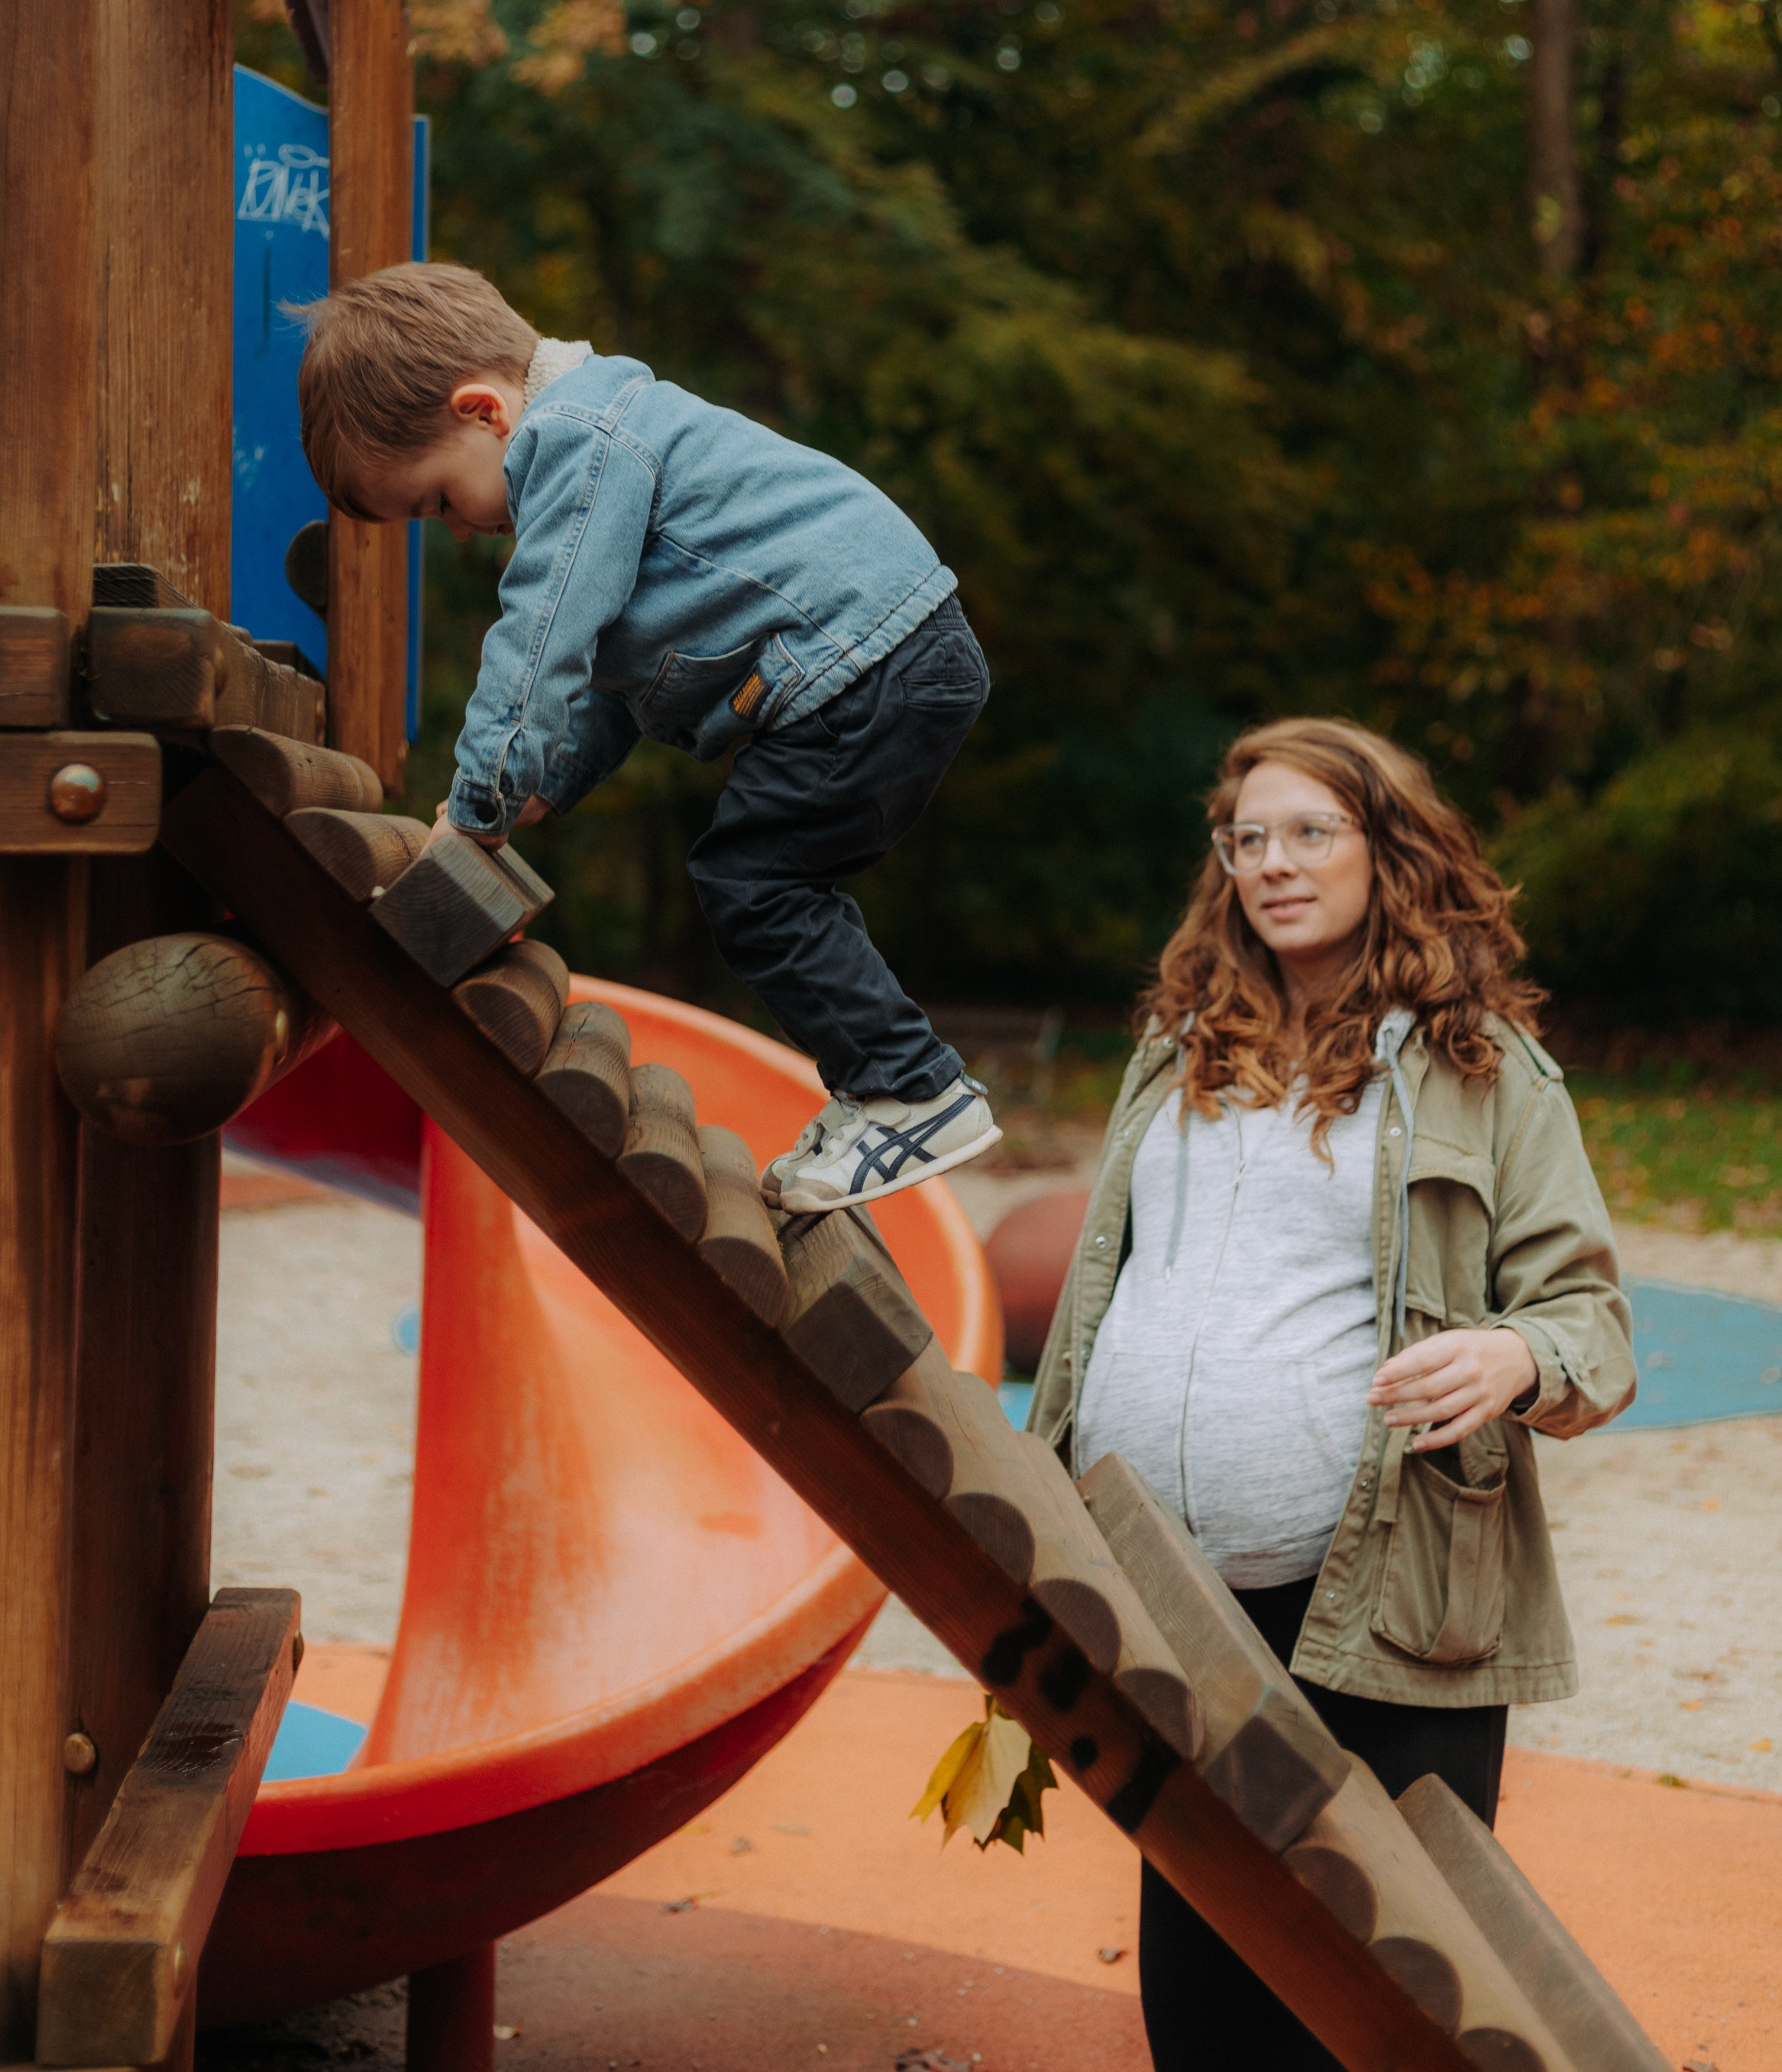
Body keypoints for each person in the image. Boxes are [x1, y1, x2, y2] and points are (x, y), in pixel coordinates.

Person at [1028, 716, 1635, 2071]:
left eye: (1310, 832)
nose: (1270, 864)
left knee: (1387, 1975)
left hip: (1377, 1592)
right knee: (1198, 1980)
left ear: (1387, 849)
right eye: (1243, 837)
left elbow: (1588, 1322)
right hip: (1164, 1582)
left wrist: (1513, 1357)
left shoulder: (1480, 1067)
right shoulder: (1177, 1044)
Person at [294, 260, 1000, 1211]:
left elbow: (540, 640)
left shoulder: (575, 444)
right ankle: (888, 1083)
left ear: (483, 411)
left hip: (866, 663)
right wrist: (553, 780)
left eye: (434, 501)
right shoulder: (614, 427)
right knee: (764, 878)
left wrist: (482, 802)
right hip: (892, 655)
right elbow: (616, 687)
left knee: (752, 883)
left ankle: (910, 1089)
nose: (456, 529)